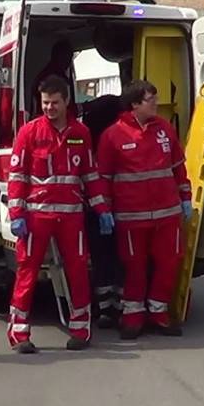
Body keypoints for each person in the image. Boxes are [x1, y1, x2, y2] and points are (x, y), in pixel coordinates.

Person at [7, 75, 110, 352]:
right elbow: (17, 176)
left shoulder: (81, 133)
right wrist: (16, 213)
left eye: (54, 103)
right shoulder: (29, 133)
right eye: (45, 103)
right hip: (36, 217)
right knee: (27, 271)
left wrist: (102, 209)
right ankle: (19, 333)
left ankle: (80, 329)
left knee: (78, 270)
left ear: (66, 102)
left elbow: (90, 174)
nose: (49, 108)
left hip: (71, 217)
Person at [98, 80, 192, 338]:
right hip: (131, 216)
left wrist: (185, 197)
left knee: (168, 263)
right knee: (134, 267)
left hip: (168, 214)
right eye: (151, 99)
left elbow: (178, 168)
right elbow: (103, 178)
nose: (156, 103)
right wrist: (103, 209)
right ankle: (132, 317)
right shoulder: (112, 136)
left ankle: (159, 313)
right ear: (135, 104)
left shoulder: (164, 129)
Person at [79, 93, 126, 327]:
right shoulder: (115, 138)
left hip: (97, 209)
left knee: (101, 258)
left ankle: (105, 307)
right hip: (117, 208)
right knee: (118, 258)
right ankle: (116, 306)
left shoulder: (91, 140)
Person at [29, 39, 77, 118]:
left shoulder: (42, 75)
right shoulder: (57, 79)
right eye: (66, 57)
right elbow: (67, 109)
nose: (68, 62)